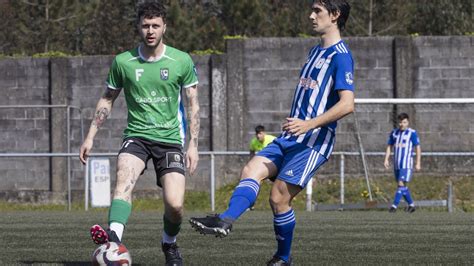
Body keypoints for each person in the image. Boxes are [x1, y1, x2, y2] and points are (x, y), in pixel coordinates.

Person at [190, 1, 354, 265]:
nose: (311, 16)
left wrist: (308, 124)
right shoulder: (314, 51)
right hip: (290, 138)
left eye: (317, 11)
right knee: (250, 169)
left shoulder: (341, 56)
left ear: (334, 16)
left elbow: (347, 104)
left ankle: (283, 258)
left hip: (313, 142)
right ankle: (226, 219)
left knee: (278, 197)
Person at [79, 2, 200, 265]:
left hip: (170, 140)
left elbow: (193, 103)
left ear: (164, 27)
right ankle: (114, 238)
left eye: (155, 25)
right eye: (145, 25)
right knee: (124, 178)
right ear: (138, 27)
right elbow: (107, 99)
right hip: (137, 137)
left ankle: (169, 244)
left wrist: (193, 144)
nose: (150, 30)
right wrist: (90, 136)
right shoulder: (123, 62)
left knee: (175, 205)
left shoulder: (181, 60)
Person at [384, 113, 421, 213]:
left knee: (401, 184)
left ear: (408, 122)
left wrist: (418, 162)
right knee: (402, 187)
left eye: (404, 122)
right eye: (400, 122)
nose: (402, 124)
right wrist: (386, 159)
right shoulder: (394, 133)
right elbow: (389, 146)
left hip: (406, 164)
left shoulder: (412, 133)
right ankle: (411, 205)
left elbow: (417, 147)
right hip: (397, 164)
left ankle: (394, 206)